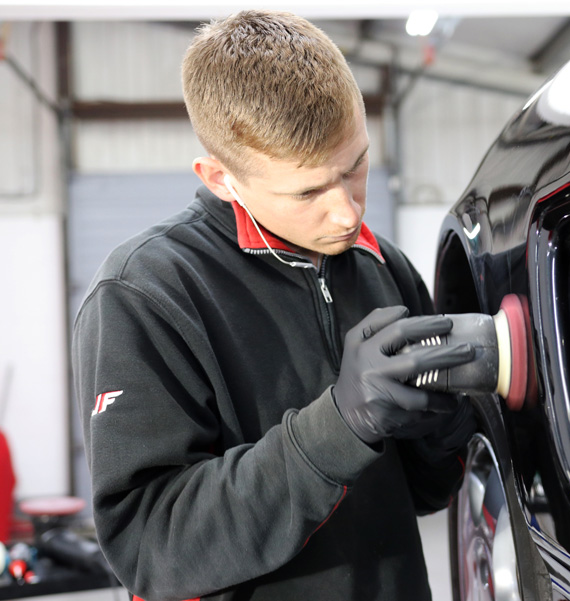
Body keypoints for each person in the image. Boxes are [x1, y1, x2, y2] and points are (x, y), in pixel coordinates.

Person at [72, 10, 477, 601]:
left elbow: (422, 494)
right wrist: (339, 425)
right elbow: (150, 549)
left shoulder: (380, 265)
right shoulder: (148, 292)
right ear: (219, 178)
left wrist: (444, 425)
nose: (347, 212)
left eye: (356, 165)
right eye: (308, 190)